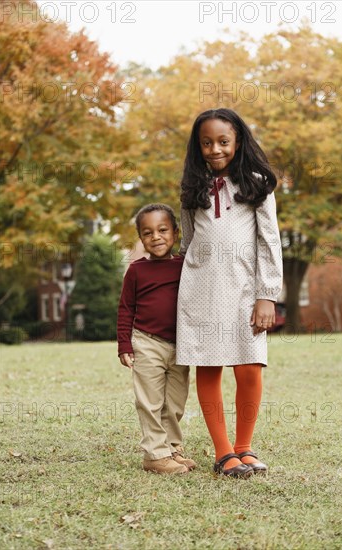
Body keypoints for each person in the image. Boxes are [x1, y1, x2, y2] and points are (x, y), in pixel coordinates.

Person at [176, 108, 283, 478]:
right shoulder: (192, 188)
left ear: (238, 141)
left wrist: (266, 294)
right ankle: (224, 454)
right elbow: (188, 241)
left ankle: (244, 447)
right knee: (208, 365)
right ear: (198, 146)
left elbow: (269, 242)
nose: (215, 149)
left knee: (250, 368)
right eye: (206, 143)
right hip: (201, 289)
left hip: (244, 290)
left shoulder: (257, 183)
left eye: (223, 141)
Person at [117, 203, 196, 475]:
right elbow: (125, 308)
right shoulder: (137, 271)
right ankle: (154, 454)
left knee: (174, 401)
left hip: (181, 345)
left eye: (163, 230)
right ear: (141, 239)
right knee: (149, 401)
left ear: (175, 233)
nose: (156, 237)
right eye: (148, 233)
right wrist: (124, 344)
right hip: (146, 342)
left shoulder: (186, 266)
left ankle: (172, 448)